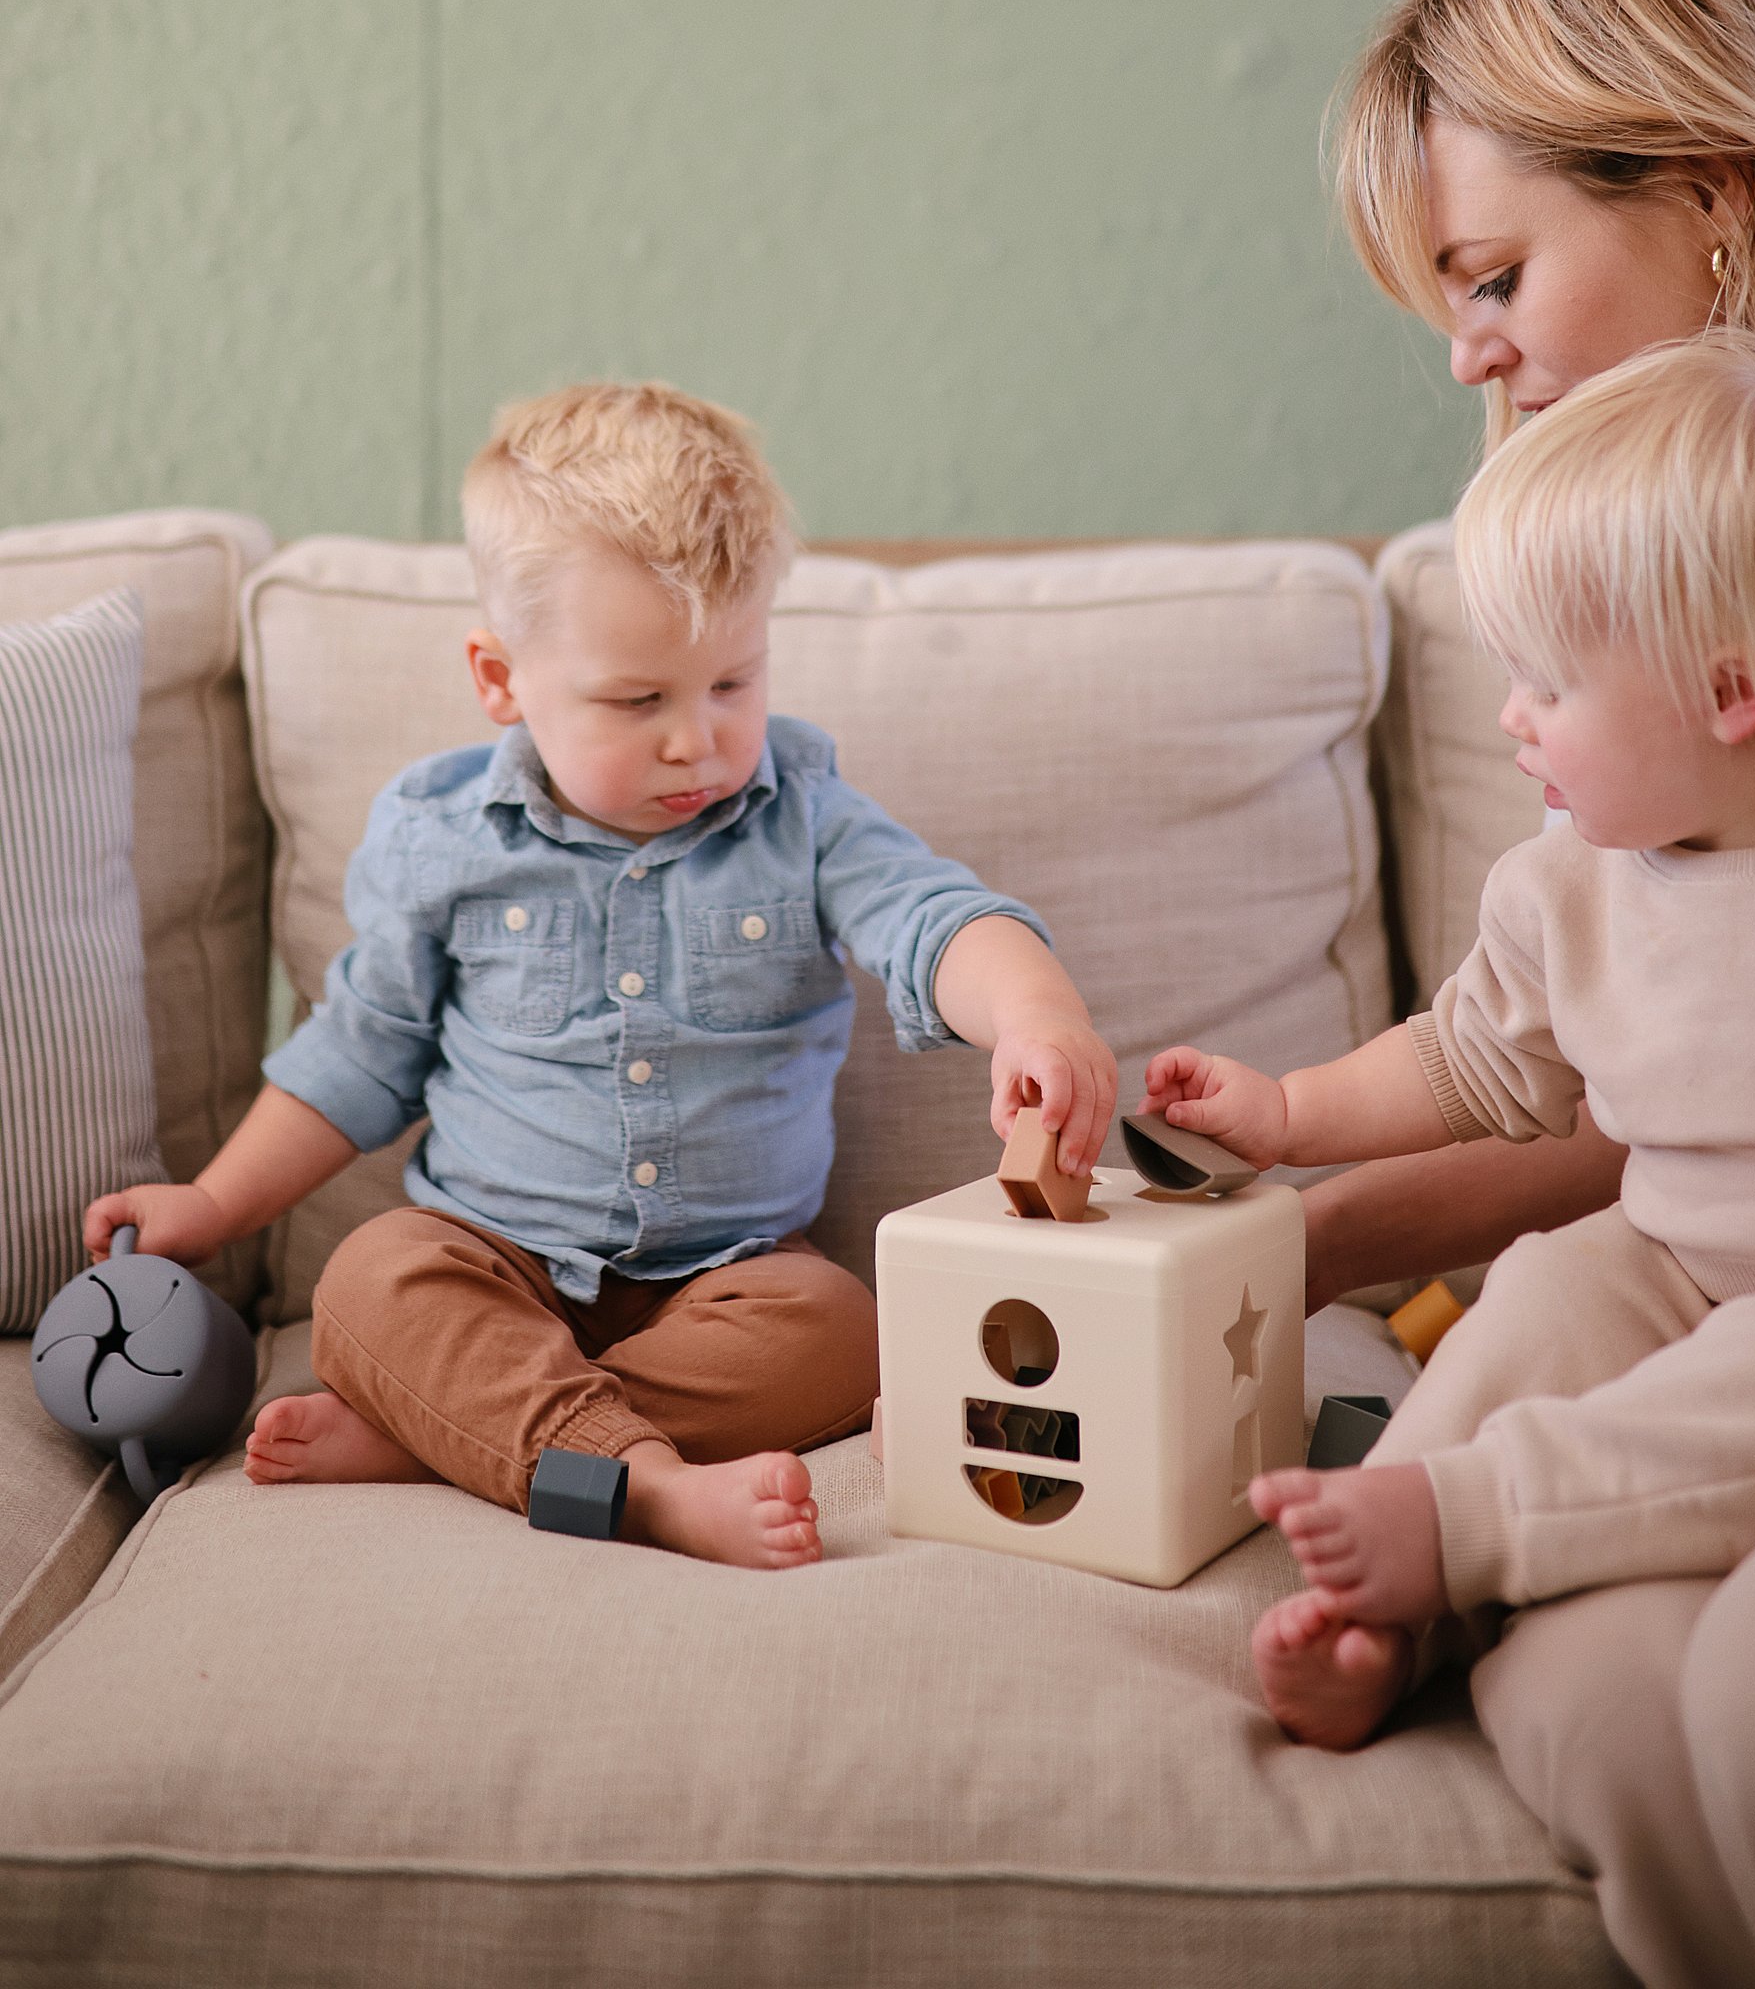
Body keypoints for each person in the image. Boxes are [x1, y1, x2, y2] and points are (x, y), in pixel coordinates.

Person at [85, 380, 1117, 1573]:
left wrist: (1035, 1014)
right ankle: (647, 1485)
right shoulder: (444, 840)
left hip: (726, 1287)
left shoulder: (806, 818)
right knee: (370, 1282)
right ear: (499, 678)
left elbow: (934, 920)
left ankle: (453, 1437)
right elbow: (358, 1052)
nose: (699, 739)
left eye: (733, 682)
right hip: (489, 1260)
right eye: (638, 700)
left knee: (842, 1333)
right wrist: (211, 1208)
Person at [1153, 340, 1755, 1984]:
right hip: (1671, 1278)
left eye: (1548, 684)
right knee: (1560, 1304)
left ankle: (1467, 1519)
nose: (1510, 723)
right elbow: (1474, 1057)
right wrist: (1283, 1119)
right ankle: (1396, 1619)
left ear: (1729, 692)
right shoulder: (1575, 881)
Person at [1268, 0, 1755, 1981]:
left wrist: (1318, 1230)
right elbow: (1607, 1076)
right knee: (1586, 1687)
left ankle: (1455, 1535)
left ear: (1711, 202)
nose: (1470, 363)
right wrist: (1288, 1195)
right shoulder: (1600, 582)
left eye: (1489, 278)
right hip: (1669, 1277)